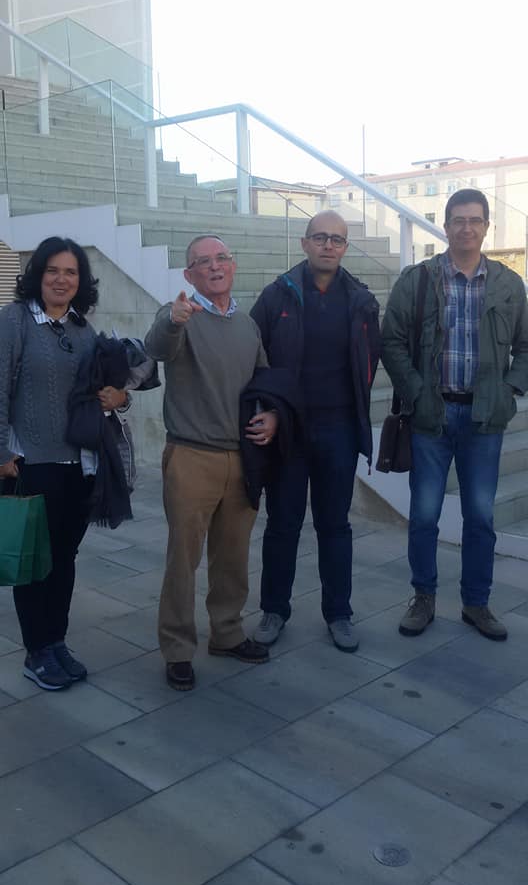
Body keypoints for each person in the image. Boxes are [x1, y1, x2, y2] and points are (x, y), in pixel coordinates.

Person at [382, 188, 528, 641]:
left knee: (480, 517)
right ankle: (423, 596)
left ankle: (476, 602)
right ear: (445, 226)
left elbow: (524, 348)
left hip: (485, 420)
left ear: (487, 227)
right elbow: (392, 342)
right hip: (432, 417)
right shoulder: (418, 279)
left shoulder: (508, 284)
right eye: (458, 220)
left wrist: (509, 391)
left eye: (475, 220)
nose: (467, 228)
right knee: (424, 515)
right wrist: (417, 393)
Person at [144, 234, 278, 691]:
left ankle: (227, 633)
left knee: (233, 556)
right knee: (183, 560)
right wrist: (174, 319)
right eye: (203, 262)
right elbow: (158, 345)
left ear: (233, 265)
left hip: (242, 458)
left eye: (222, 258)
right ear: (189, 274)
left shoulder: (247, 324)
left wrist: (273, 416)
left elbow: (264, 381)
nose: (215, 266)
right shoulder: (179, 312)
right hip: (191, 457)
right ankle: (178, 649)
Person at [0, 236, 128, 690]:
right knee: (34, 563)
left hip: (80, 464)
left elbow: (103, 390)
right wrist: (1, 452)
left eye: (70, 272)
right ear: (37, 275)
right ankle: (37, 652)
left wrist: (122, 397)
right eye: (52, 270)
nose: (61, 279)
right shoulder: (14, 321)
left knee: (64, 559)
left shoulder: (82, 330)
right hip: (30, 464)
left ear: (80, 281)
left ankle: (56, 641)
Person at [250, 210, 380, 652]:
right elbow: (255, 360)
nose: (329, 245)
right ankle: (274, 609)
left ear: (345, 248)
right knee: (282, 523)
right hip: (289, 430)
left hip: (339, 428)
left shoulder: (361, 300)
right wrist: (270, 410)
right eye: (320, 237)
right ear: (304, 243)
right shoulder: (276, 296)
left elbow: (368, 363)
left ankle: (339, 613)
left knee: (334, 525)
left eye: (337, 239)